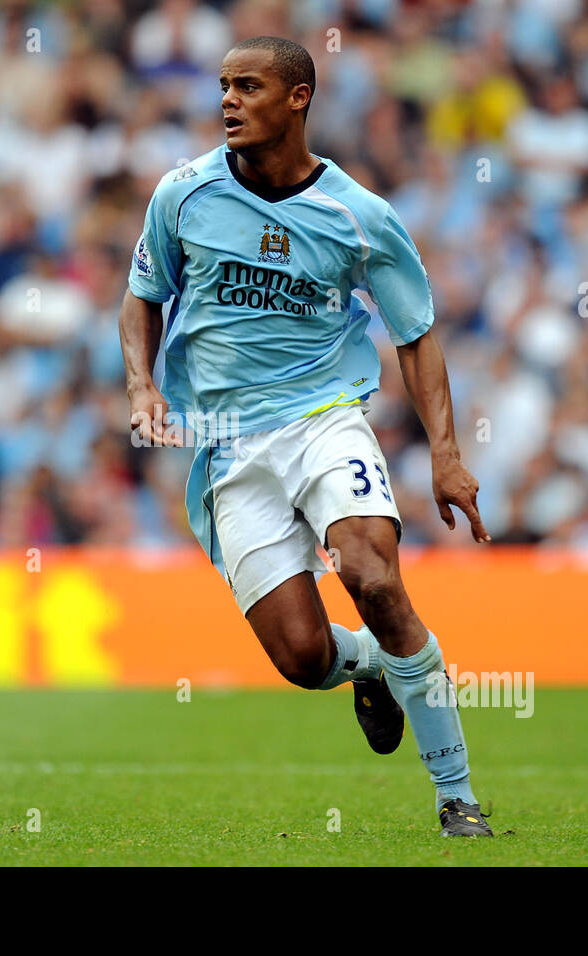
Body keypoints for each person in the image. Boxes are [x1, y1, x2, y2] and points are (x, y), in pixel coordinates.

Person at [119, 36, 494, 836]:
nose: (227, 100)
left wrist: (448, 453)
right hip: (227, 445)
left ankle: (455, 796)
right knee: (301, 657)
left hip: (326, 418)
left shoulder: (358, 216)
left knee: (372, 573)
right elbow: (142, 294)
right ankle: (370, 670)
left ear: (298, 99)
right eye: (222, 85)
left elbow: (416, 332)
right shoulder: (182, 195)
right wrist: (141, 384)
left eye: (247, 86)